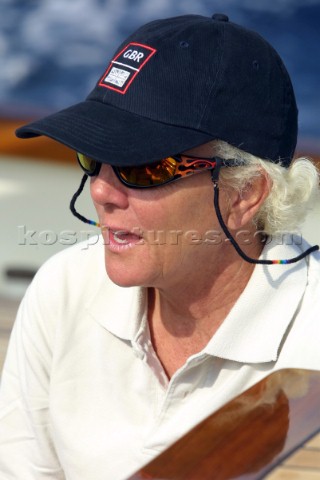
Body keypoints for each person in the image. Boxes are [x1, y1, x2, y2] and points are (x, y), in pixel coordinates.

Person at [0, 12, 320, 480]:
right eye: (94, 156)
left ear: (246, 193)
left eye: (144, 168)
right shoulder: (64, 288)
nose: (102, 191)